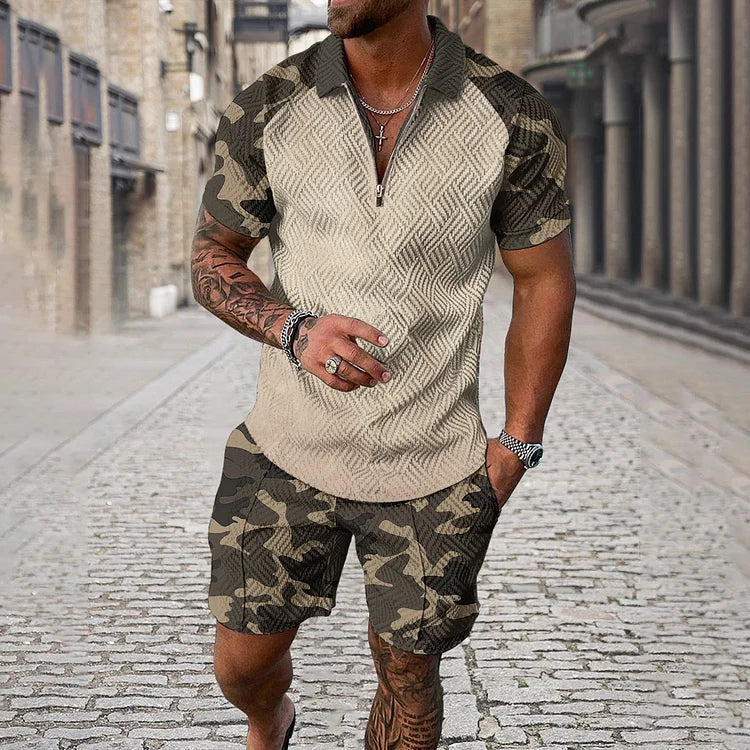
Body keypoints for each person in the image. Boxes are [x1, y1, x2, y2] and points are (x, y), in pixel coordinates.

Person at [191, 1, 576, 748]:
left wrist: (517, 444)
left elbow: (543, 280)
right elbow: (214, 255)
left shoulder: (514, 114)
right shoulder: (269, 105)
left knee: (409, 675)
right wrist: (293, 328)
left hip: (435, 464)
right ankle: (271, 718)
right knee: (242, 667)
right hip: (285, 448)